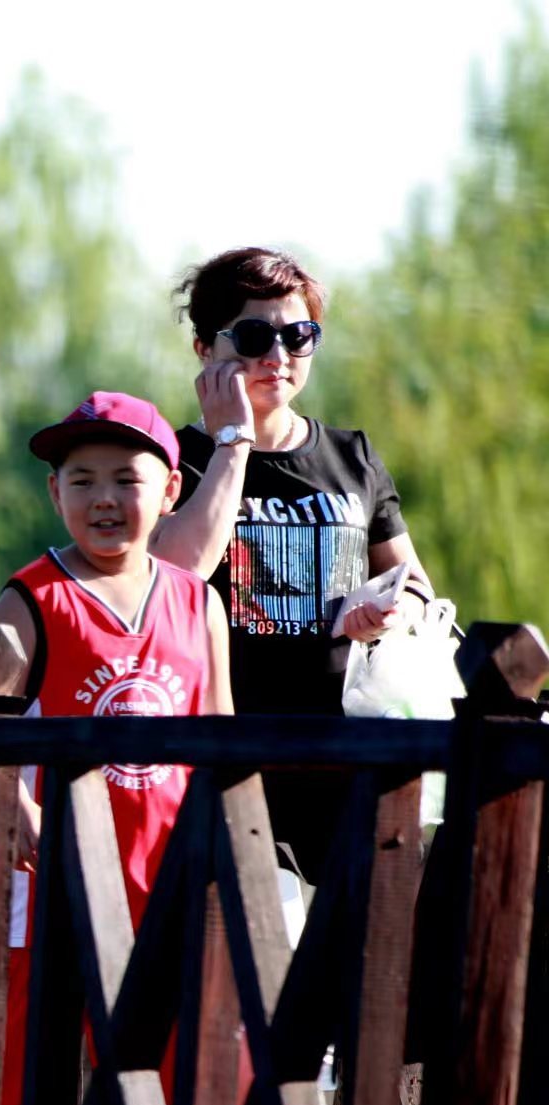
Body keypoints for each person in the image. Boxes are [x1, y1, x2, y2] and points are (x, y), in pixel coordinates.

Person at [0, 392, 233, 1105]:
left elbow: (223, 734)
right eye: (81, 479)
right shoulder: (33, 596)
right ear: (55, 494)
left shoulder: (195, 602)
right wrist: (17, 808)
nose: (103, 498)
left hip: (167, 865)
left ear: (169, 489)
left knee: (186, 1057)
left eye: (126, 479)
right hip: (52, 872)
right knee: (22, 1069)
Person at [152, 247, 435, 876]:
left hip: (352, 751)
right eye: (253, 336)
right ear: (205, 349)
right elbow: (175, 575)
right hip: (229, 754)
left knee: (376, 959)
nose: (277, 357)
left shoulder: (351, 455)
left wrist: (386, 608)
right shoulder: (176, 459)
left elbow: (416, 586)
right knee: (247, 960)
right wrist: (233, 440)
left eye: (298, 336)